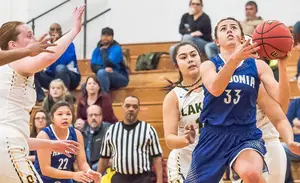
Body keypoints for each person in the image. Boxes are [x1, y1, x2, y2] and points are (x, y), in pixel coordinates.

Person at [185, 17, 299, 183]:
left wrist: (282, 64)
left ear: (242, 36)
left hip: (245, 134)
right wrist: (235, 59)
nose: (229, 30)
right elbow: (216, 89)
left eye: (234, 27)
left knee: (251, 173)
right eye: (223, 28)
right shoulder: (208, 65)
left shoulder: (258, 66)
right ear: (216, 41)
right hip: (213, 135)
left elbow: (281, 101)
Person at [0, 5, 85, 182]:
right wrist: (74, 30)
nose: (35, 40)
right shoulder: (16, 61)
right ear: (13, 45)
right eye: (29, 36)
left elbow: (15, 133)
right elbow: (48, 57)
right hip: (8, 145)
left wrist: (53, 145)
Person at [163, 42, 224, 183]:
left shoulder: (216, 87)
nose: (190, 59)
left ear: (200, 58)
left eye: (193, 55)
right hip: (185, 160)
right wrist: (185, 139)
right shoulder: (174, 97)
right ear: (177, 65)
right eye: (183, 57)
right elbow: (169, 140)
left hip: (212, 160)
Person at [98, 96, 163, 183]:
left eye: (135, 106)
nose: (131, 109)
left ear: (139, 109)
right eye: (128, 106)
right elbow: (104, 158)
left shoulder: (148, 130)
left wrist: (160, 180)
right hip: (119, 178)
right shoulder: (112, 130)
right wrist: (97, 179)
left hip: (142, 178)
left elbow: (157, 158)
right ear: (123, 107)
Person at [34, 101, 101, 183]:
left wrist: (89, 172)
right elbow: (45, 170)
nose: (65, 117)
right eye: (60, 114)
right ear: (52, 118)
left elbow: (82, 163)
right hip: (43, 180)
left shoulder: (76, 134)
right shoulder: (44, 135)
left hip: (65, 179)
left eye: (68, 114)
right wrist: (73, 175)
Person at [35, 23, 81, 102]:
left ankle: (64, 97)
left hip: (70, 77)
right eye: (52, 29)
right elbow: (41, 62)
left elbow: (62, 62)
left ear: (61, 32)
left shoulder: (68, 43)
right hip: (53, 77)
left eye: (57, 30)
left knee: (60, 68)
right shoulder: (45, 45)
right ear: (49, 33)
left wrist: (55, 45)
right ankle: (42, 98)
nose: (55, 32)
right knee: (34, 70)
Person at [90, 27, 129, 94]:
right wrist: (104, 69)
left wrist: (103, 51)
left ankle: (105, 99)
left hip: (119, 76)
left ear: (112, 37)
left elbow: (108, 63)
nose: (105, 37)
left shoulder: (116, 48)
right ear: (100, 37)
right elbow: (93, 67)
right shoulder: (96, 50)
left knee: (101, 73)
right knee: (85, 85)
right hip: (102, 76)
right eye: (103, 35)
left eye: (108, 35)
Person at [82, 105, 111, 171]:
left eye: (96, 115)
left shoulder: (109, 130)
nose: (93, 118)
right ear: (87, 117)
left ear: (101, 116)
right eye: (90, 115)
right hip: (86, 171)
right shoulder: (82, 132)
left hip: (103, 171)